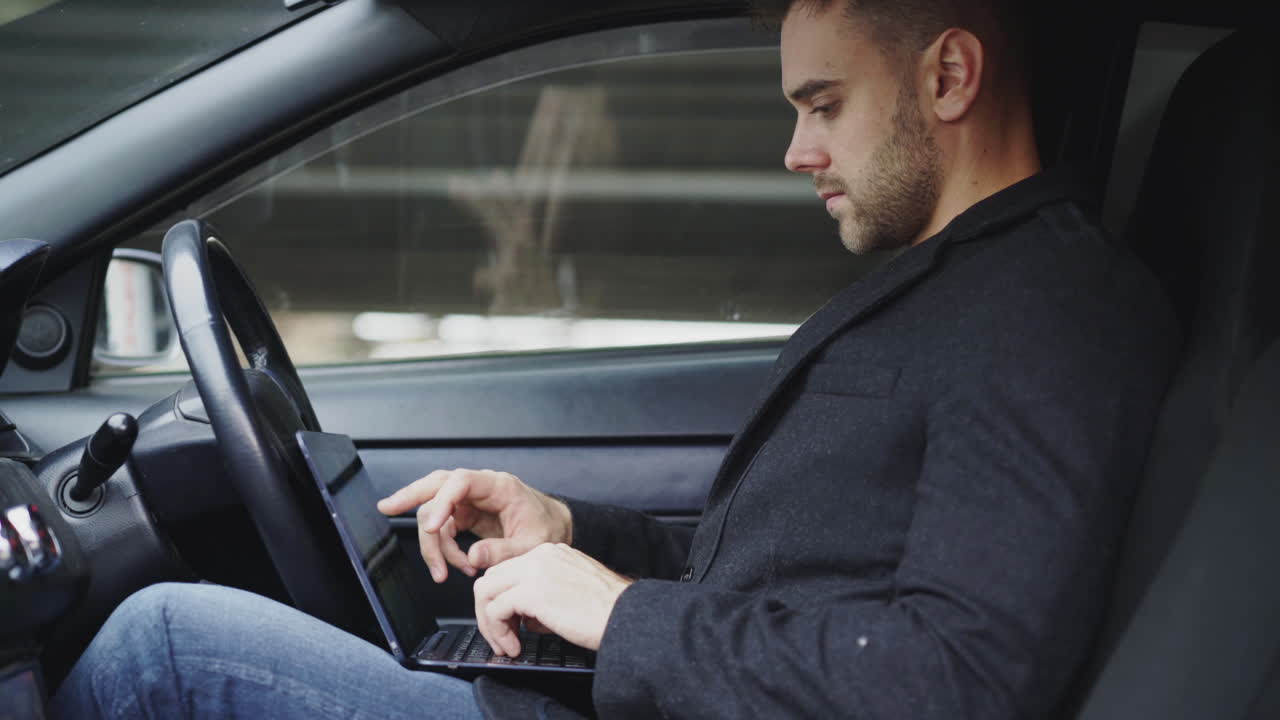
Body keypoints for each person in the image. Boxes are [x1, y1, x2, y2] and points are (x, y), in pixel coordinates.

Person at [50, 0, 1180, 718]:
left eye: (823, 104)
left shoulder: (1049, 308)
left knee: (161, 647)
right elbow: (802, 564)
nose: (795, 150)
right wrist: (574, 535)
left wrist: (617, 613)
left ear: (946, 77)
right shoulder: (959, 277)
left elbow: (957, 680)